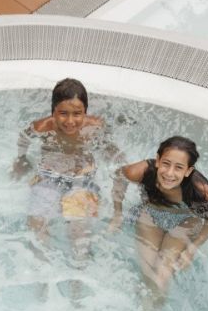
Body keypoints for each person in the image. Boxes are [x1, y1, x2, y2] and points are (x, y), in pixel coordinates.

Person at [111, 136, 208, 298]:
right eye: (166, 164)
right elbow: (119, 176)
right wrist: (117, 213)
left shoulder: (200, 190)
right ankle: (144, 307)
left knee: (162, 275)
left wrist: (191, 250)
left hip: (185, 221)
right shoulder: (140, 171)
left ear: (188, 171)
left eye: (178, 167)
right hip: (151, 216)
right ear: (158, 160)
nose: (169, 173)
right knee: (149, 274)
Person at [13, 77, 125, 251]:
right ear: (53, 111)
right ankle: (42, 261)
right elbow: (24, 137)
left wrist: (117, 166)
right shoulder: (43, 127)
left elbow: (112, 151)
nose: (70, 121)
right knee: (37, 222)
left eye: (77, 113)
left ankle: (80, 266)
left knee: (79, 231)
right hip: (48, 177)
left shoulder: (95, 128)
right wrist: (21, 159)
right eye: (63, 113)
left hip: (83, 179)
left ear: (85, 112)